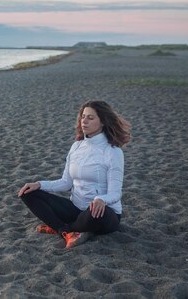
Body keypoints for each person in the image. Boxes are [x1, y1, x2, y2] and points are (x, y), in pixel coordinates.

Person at [18, 100, 131, 249]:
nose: (84, 121)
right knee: (28, 193)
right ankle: (68, 231)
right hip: (76, 210)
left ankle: (64, 229)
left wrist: (101, 199)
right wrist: (39, 184)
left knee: (95, 213)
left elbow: (115, 193)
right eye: (83, 116)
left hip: (103, 214)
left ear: (103, 121)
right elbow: (66, 182)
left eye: (90, 118)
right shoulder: (77, 146)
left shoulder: (113, 152)